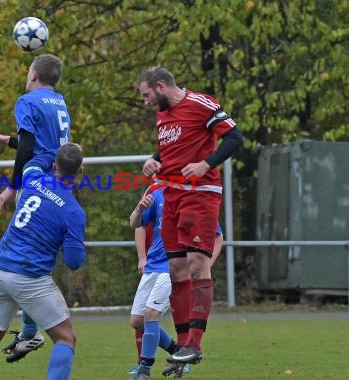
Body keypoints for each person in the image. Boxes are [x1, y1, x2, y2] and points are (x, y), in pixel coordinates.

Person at [137, 66, 243, 370]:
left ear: (160, 86)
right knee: (176, 269)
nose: (145, 102)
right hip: (170, 195)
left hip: (199, 194)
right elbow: (168, 147)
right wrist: (153, 160)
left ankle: (195, 344)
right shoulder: (163, 115)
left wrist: (205, 164)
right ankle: (184, 346)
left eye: (146, 95)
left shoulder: (200, 104)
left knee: (197, 265)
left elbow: (235, 138)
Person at [0, 143, 86, 380]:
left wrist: (55, 147)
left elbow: (33, 159)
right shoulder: (73, 211)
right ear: (80, 171)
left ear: (55, 165)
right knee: (66, 337)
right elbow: (74, 261)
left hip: (0, 267)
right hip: (28, 275)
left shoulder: (33, 179)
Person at [0, 53, 71, 362]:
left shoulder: (27, 100)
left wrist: (11, 186)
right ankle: (29, 332)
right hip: (57, 185)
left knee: (20, 253)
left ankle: (30, 332)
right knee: (39, 252)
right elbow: (44, 145)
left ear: (33, 74)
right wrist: (8, 139)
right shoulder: (59, 102)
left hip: (35, 183)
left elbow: (31, 149)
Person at [128, 184, 187, 380]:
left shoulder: (191, 194)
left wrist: (203, 266)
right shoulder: (157, 192)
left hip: (172, 266)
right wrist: (140, 209)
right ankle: (178, 352)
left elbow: (216, 235)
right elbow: (134, 223)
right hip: (153, 264)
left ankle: (144, 370)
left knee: (151, 314)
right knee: (137, 321)